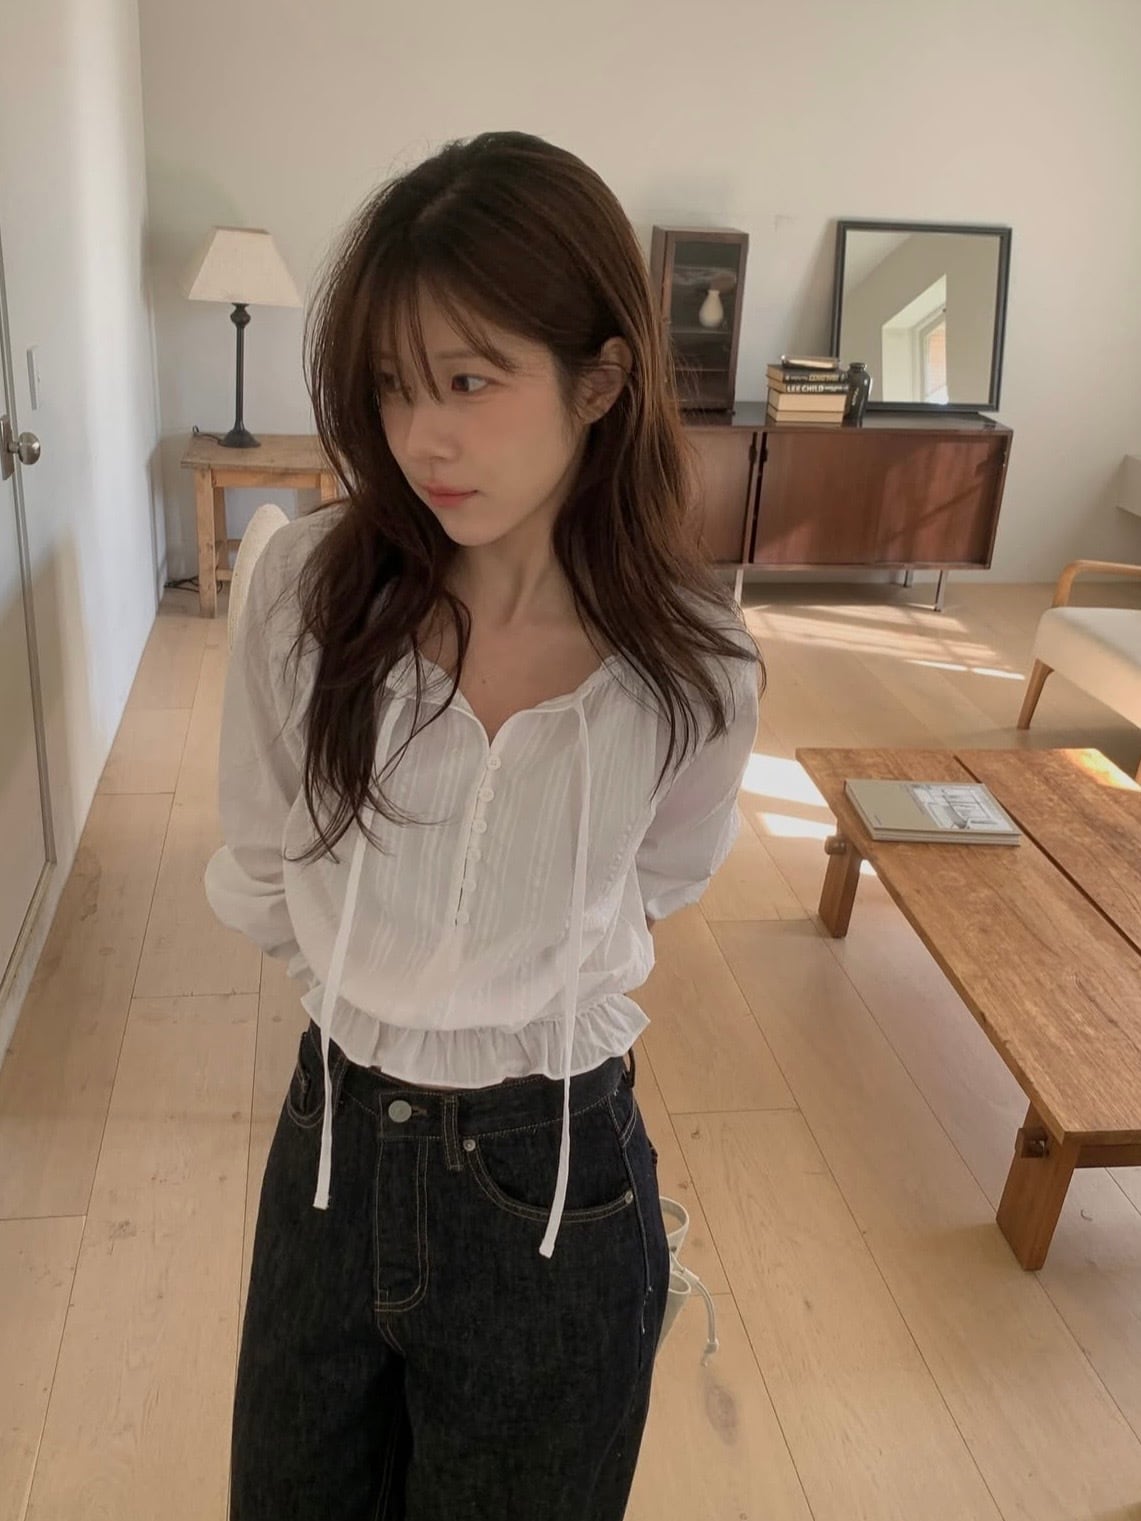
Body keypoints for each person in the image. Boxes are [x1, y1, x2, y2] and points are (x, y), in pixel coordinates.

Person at [205, 130, 761, 1521]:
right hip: (330, 1146)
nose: (421, 438)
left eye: (468, 380)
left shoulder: (692, 666)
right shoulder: (305, 590)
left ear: (601, 379)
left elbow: (660, 875)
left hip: (557, 1181)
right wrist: (386, 992)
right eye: (395, 387)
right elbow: (265, 861)